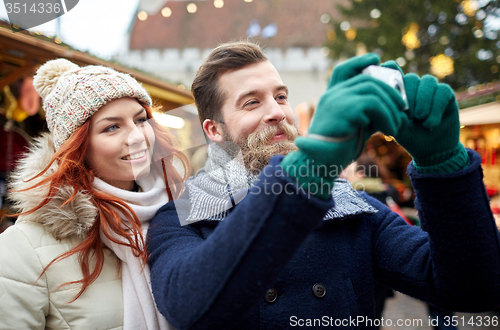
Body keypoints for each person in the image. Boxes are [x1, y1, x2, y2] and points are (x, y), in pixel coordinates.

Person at [147, 41, 500, 330]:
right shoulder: (179, 217)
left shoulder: (349, 207)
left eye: (281, 96)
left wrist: (442, 164)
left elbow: (471, 294)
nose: (277, 112)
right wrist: (313, 165)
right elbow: (189, 305)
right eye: (252, 102)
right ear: (214, 130)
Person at [0, 59, 189, 329]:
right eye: (112, 127)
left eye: (140, 119)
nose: (137, 136)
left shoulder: (182, 215)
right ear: (78, 147)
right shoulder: (24, 247)